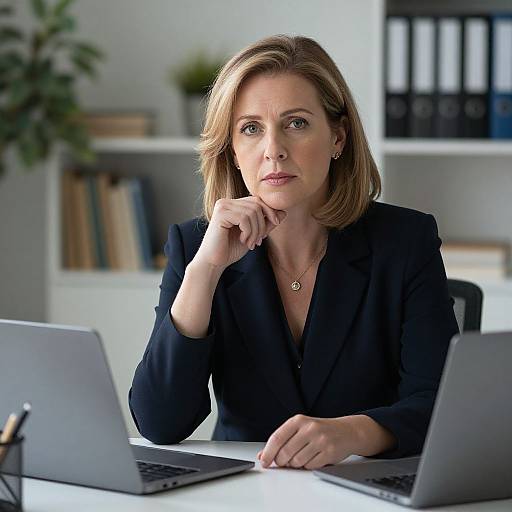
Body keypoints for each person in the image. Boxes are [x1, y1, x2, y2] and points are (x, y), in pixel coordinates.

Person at [129, 34, 459, 470]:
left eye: (296, 123)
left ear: (338, 137)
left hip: (365, 486)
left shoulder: (405, 240)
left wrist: (353, 432)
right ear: (231, 149)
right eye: (251, 129)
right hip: (246, 493)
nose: (273, 149)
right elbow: (160, 422)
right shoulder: (196, 246)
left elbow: (439, 405)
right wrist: (204, 272)